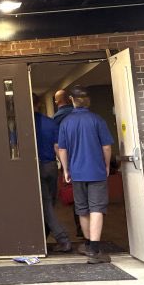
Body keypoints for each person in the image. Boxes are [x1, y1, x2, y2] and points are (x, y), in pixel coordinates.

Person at [56, 85, 114, 265]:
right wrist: (106, 165)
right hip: (96, 170)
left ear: (72, 101)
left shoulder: (66, 122)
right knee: (97, 208)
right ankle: (94, 250)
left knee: (82, 209)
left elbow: (62, 149)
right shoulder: (97, 120)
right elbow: (106, 146)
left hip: (77, 172)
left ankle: (88, 244)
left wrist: (65, 169)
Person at [34, 99, 71, 253]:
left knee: (46, 206)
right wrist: (65, 168)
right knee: (49, 203)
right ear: (39, 104)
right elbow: (58, 147)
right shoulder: (51, 123)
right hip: (51, 167)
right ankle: (42, 237)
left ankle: (63, 239)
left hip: (37, 167)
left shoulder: (25, 122)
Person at [52, 88, 85, 243]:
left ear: (58, 101)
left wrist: (64, 166)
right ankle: (91, 235)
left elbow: (58, 145)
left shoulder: (57, 119)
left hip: (70, 160)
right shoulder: (81, 115)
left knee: (76, 197)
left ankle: (81, 229)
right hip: (86, 159)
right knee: (91, 198)